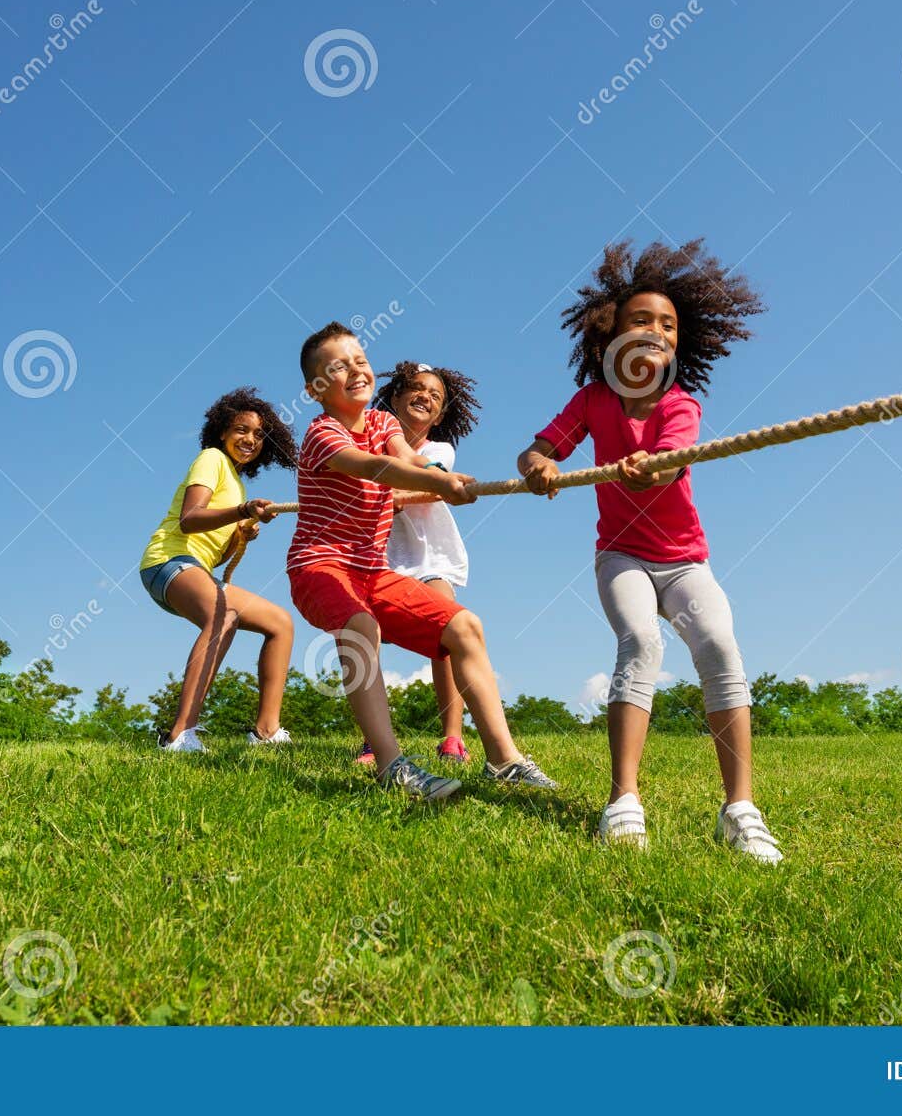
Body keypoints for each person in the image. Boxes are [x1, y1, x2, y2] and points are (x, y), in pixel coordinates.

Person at [516, 240, 783, 862]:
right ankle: (623, 801)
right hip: (622, 556)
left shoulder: (680, 402)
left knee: (718, 645)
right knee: (641, 642)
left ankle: (740, 808)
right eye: (642, 320)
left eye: (668, 324)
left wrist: (649, 468)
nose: (655, 331)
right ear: (612, 332)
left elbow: (665, 469)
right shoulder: (592, 400)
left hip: (684, 559)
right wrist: (537, 465)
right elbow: (537, 451)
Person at [287, 321, 557, 799]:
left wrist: (439, 475)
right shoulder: (321, 435)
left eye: (361, 361)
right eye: (338, 366)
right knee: (361, 626)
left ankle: (505, 760)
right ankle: (391, 766)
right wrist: (437, 486)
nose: (355, 370)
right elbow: (374, 467)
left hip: (374, 572)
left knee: (465, 627)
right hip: (319, 566)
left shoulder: (385, 423)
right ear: (315, 389)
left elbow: (405, 458)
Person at [139, 388, 298, 753]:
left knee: (280, 623)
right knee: (223, 617)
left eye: (259, 435)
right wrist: (242, 511)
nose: (251, 440)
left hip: (196, 569)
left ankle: (266, 731)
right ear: (222, 431)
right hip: (168, 561)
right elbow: (190, 520)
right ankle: (180, 735)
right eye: (242, 430)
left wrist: (241, 535)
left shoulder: (236, 481)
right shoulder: (211, 458)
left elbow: (217, 556)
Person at [352, 360, 482, 768]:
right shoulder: (365, 447)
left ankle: (453, 738)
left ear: (440, 414)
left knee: (447, 629)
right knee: (364, 638)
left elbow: (424, 485)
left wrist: (382, 495)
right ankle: (374, 740)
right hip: (379, 558)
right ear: (393, 397)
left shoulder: (437, 451)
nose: (426, 396)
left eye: (436, 396)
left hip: (429, 557)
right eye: (418, 388)